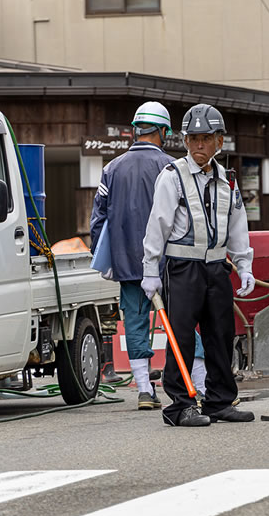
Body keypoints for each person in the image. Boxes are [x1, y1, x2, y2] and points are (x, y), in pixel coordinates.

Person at [89, 102, 209, 410]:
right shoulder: (173, 168)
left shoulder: (111, 169)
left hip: (126, 263)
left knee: (136, 323)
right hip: (172, 262)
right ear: (164, 132)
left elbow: (98, 219)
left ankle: (144, 389)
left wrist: (103, 255)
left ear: (135, 130)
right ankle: (200, 383)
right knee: (181, 322)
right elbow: (191, 216)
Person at [142, 104, 256, 427]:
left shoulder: (227, 181)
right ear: (185, 140)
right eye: (193, 139)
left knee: (220, 334)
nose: (199, 146)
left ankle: (219, 401)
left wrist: (244, 265)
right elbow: (157, 224)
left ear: (220, 142)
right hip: (183, 268)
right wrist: (150, 269)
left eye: (206, 139)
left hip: (217, 267)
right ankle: (180, 406)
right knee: (181, 338)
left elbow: (238, 226)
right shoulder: (173, 177)